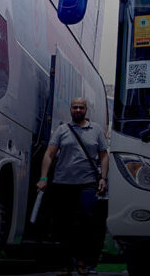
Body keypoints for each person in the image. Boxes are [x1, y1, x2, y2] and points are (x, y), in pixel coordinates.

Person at [37, 97, 108, 276]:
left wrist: (103, 178)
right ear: (70, 109)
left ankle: (82, 261)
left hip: (87, 184)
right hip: (63, 184)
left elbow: (104, 156)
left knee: (85, 223)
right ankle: (65, 264)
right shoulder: (62, 130)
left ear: (86, 110)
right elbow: (49, 154)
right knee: (63, 225)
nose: (77, 110)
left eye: (81, 107)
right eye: (74, 107)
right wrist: (44, 177)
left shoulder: (96, 130)